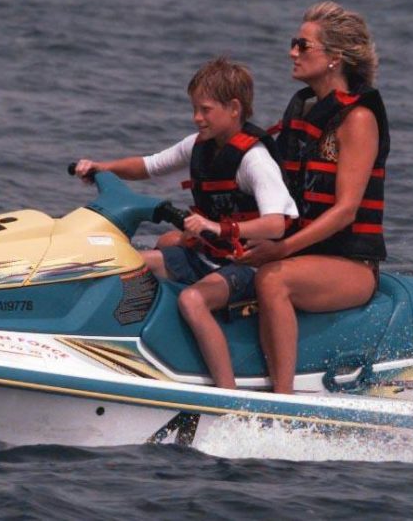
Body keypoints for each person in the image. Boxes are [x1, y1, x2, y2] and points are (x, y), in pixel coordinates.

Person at [74, 57, 298, 389]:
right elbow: (148, 166)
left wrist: (221, 228)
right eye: (194, 108)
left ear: (234, 108)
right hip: (209, 256)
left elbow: (277, 224)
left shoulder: (255, 161)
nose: (197, 118)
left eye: (205, 110)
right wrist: (101, 167)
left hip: (248, 265)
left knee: (192, 300)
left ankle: (226, 393)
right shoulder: (198, 146)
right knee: (128, 263)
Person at [238, 1, 390, 394]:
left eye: (303, 46)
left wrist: (281, 248)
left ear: (334, 58)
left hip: (350, 265)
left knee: (273, 281)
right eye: (295, 43)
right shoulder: (307, 111)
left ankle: (282, 399)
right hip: (304, 253)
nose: (292, 52)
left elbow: (345, 211)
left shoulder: (358, 120)